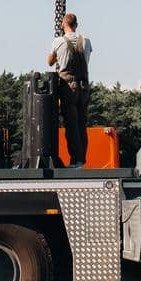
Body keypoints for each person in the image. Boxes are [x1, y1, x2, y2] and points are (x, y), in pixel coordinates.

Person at [47, 12, 92, 167]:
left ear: (62, 25)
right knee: (82, 124)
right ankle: (81, 159)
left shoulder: (58, 41)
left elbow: (50, 62)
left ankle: (75, 159)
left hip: (68, 88)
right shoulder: (86, 42)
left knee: (71, 124)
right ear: (76, 25)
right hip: (84, 87)